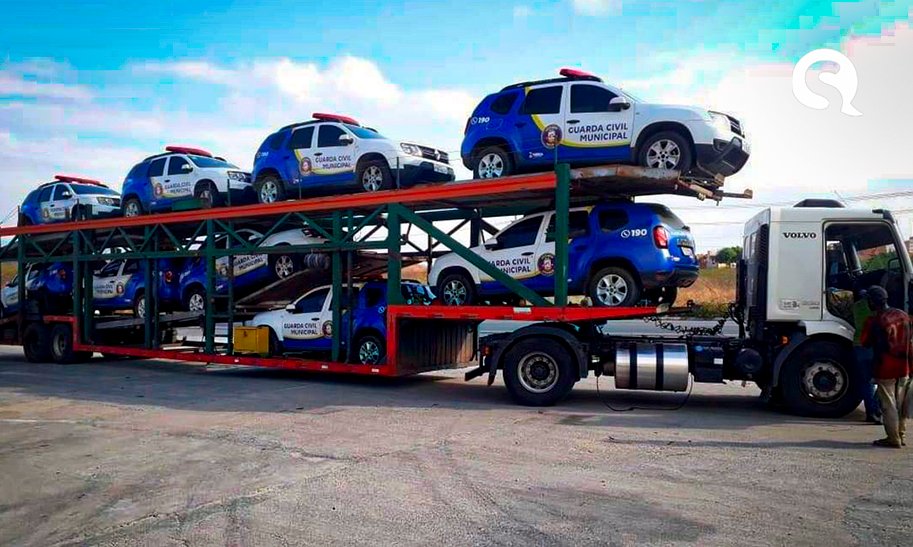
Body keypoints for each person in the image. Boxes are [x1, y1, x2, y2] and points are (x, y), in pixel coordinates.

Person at [859, 286, 913, 448]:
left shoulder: (875, 321)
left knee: (888, 405)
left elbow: (865, 342)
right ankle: (901, 435)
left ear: (872, 302)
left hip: (885, 368)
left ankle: (892, 438)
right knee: (901, 403)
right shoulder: (903, 315)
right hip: (905, 367)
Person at [852, 289, 882, 423]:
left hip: (859, 345)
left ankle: (870, 412)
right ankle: (876, 408)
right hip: (873, 346)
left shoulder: (857, 306)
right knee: (882, 380)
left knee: (865, 381)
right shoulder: (877, 310)